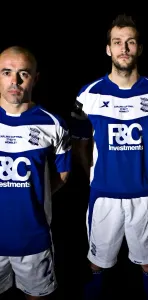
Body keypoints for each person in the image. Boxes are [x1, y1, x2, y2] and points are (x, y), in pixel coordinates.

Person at [70, 14, 148, 300]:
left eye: (130, 42)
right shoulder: (88, 94)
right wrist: (93, 173)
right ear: (108, 49)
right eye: (117, 42)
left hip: (144, 194)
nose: (124, 48)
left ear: (139, 48)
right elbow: (80, 143)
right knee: (96, 263)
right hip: (103, 195)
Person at [0, 46, 72, 299]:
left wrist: (33, 194)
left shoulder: (52, 124)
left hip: (33, 240)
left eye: (24, 74)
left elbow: (63, 174)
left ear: (36, 78)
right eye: (7, 72)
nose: (15, 81)